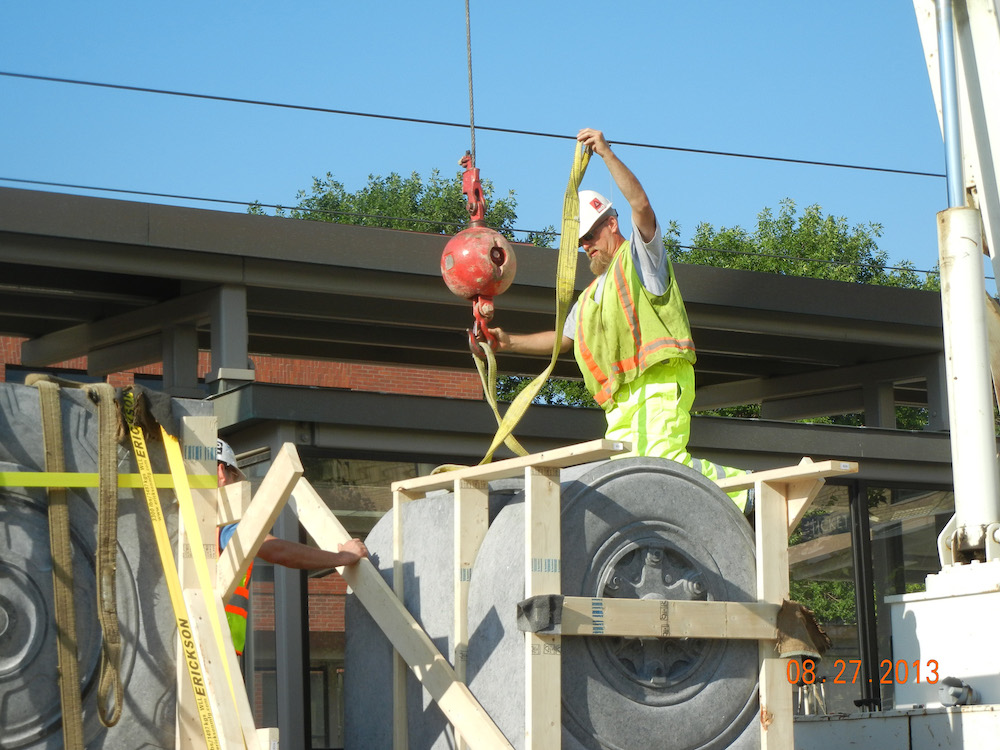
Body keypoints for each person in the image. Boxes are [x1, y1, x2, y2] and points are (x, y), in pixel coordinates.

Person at [489, 128, 751, 514]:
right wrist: (506, 342)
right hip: (621, 399)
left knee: (664, 467)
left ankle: (750, 493)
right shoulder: (592, 296)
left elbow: (642, 206)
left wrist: (607, 155)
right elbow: (563, 340)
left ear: (612, 224)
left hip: (658, 379)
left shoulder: (642, 261)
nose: (587, 246)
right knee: (630, 478)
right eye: (580, 242)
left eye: (591, 234)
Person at [217, 438, 369, 655]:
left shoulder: (179, 523)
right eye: (235, 479)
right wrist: (342, 557)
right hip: (213, 653)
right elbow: (276, 549)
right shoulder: (219, 524)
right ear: (223, 474)